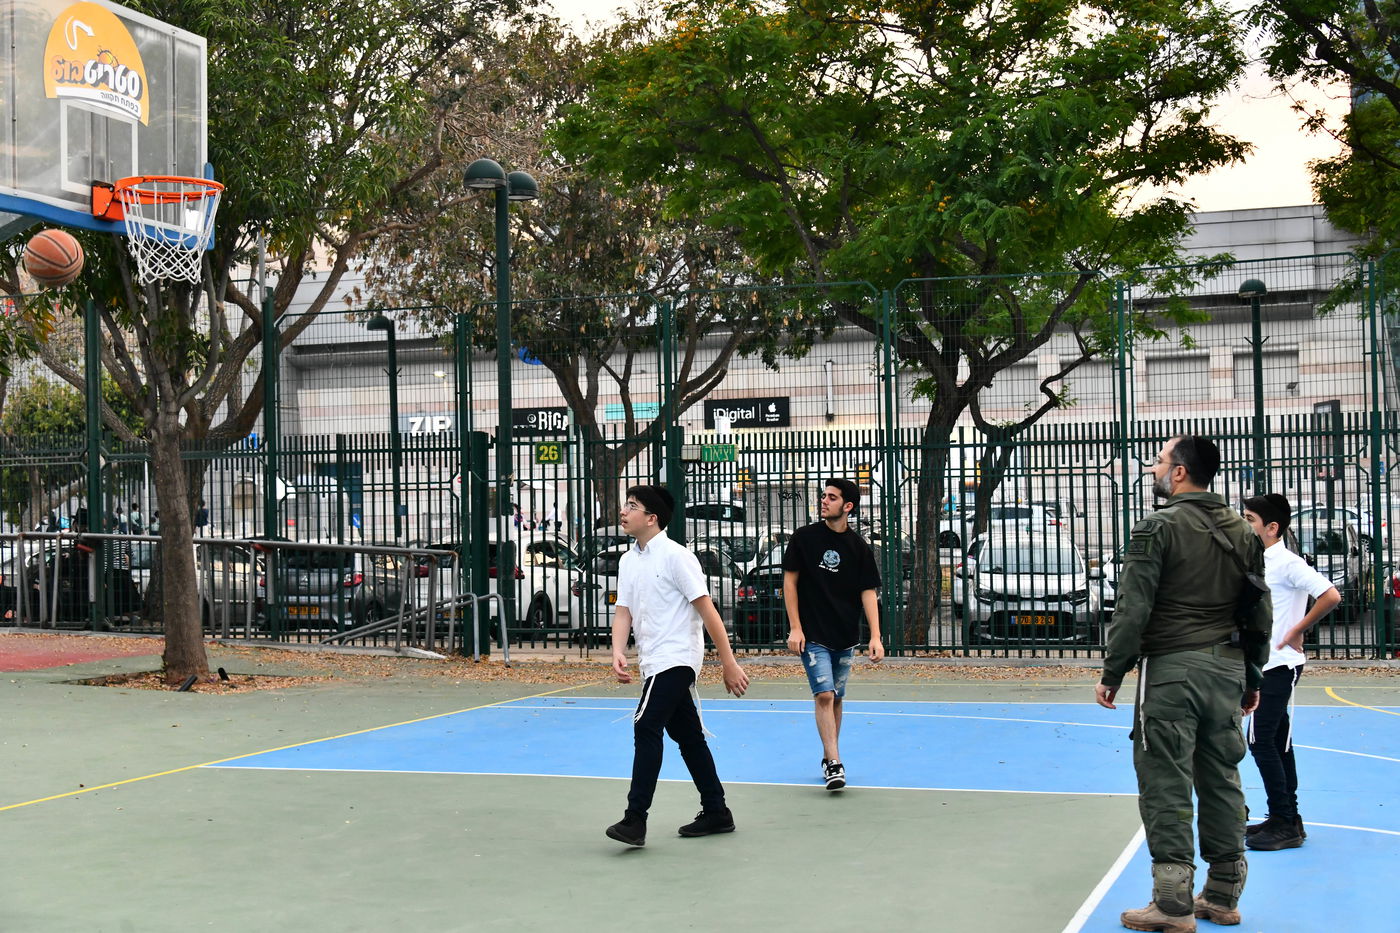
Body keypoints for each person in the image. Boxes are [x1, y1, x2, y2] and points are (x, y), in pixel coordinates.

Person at [1095, 435, 1270, 933]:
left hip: (1172, 671)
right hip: (1227, 669)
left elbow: (1133, 606)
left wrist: (1113, 671)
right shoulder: (1242, 532)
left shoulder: (1157, 527)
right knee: (1221, 777)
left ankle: (1172, 904)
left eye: (1159, 461)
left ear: (1179, 472)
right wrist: (1252, 676)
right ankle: (1222, 895)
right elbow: (1259, 610)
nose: (1153, 468)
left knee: (1166, 781)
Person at [606, 484, 750, 848]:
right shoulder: (628, 561)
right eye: (626, 504)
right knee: (688, 736)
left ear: (651, 518)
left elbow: (707, 611)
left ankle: (635, 819)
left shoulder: (677, 557)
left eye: (632, 506)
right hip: (653, 660)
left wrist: (728, 662)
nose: (624, 510)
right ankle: (716, 810)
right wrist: (618, 650)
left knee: (645, 724)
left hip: (678, 658)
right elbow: (623, 611)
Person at [1240, 493, 1340, 852]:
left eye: (1249, 519)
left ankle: (1284, 821)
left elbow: (1330, 595)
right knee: (1278, 740)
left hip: (1278, 665)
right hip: (1264, 664)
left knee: (1260, 740)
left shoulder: (1286, 562)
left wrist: (1298, 629)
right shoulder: (1255, 560)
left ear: (1272, 527)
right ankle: (1287, 817)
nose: (1244, 525)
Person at [783, 478, 884, 791]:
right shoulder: (804, 538)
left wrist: (876, 636)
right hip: (813, 634)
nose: (824, 501)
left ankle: (829, 757)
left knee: (836, 698)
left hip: (845, 635)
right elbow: (789, 583)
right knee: (824, 694)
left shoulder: (859, 548)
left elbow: (868, 592)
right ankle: (836, 762)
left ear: (848, 506)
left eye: (832, 497)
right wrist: (796, 627)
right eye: (823, 496)